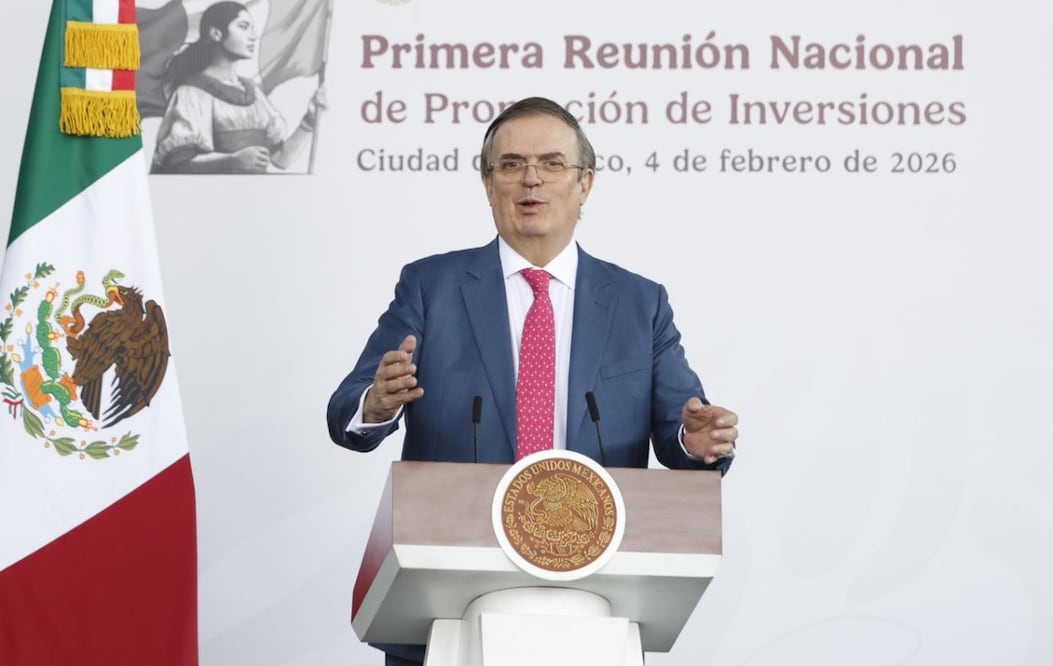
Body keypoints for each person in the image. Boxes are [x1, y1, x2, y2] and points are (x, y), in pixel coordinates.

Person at [326, 96, 738, 666]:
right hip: (447, 596)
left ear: (585, 183)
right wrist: (376, 401)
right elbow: (348, 409)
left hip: (596, 594)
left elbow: (683, 429)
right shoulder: (432, 286)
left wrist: (697, 443)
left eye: (551, 163)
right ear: (488, 182)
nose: (531, 180)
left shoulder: (640, 304)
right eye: (511, 163)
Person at [151, 1, 327, 174]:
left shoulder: (254, 94)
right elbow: (178, 164)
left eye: (252, 28)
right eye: (243, 27)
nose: (253, 36)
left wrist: (309, 120)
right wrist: (233, 160)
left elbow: (281, 159)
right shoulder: (192, 92)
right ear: (216, 34)